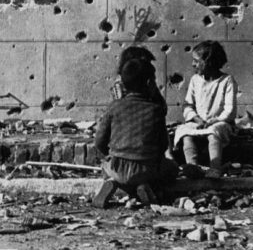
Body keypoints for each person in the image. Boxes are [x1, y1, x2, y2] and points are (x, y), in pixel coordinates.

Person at [93, 58, 178, 207]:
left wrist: (109, 156)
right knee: (172, 169)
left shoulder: (114, 106)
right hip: (147, 169)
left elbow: (99, 141)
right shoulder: (155, 109)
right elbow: (163, 145)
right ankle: (144, 186)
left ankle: (113, 182)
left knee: (105, 166)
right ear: (149, 83)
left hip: (116, 167)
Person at [173, 41, 237, 178]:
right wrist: (196, 119)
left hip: (219, 122)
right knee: (185, 132)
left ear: (209, 62)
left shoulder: (227, 81)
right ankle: (193, 167)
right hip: (199, 121)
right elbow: (188, 105)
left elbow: (229, 110)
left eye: (196, 61)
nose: (193, 64)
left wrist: (215, 120)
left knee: (214, 132)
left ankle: (215, 168)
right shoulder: (195, 80)